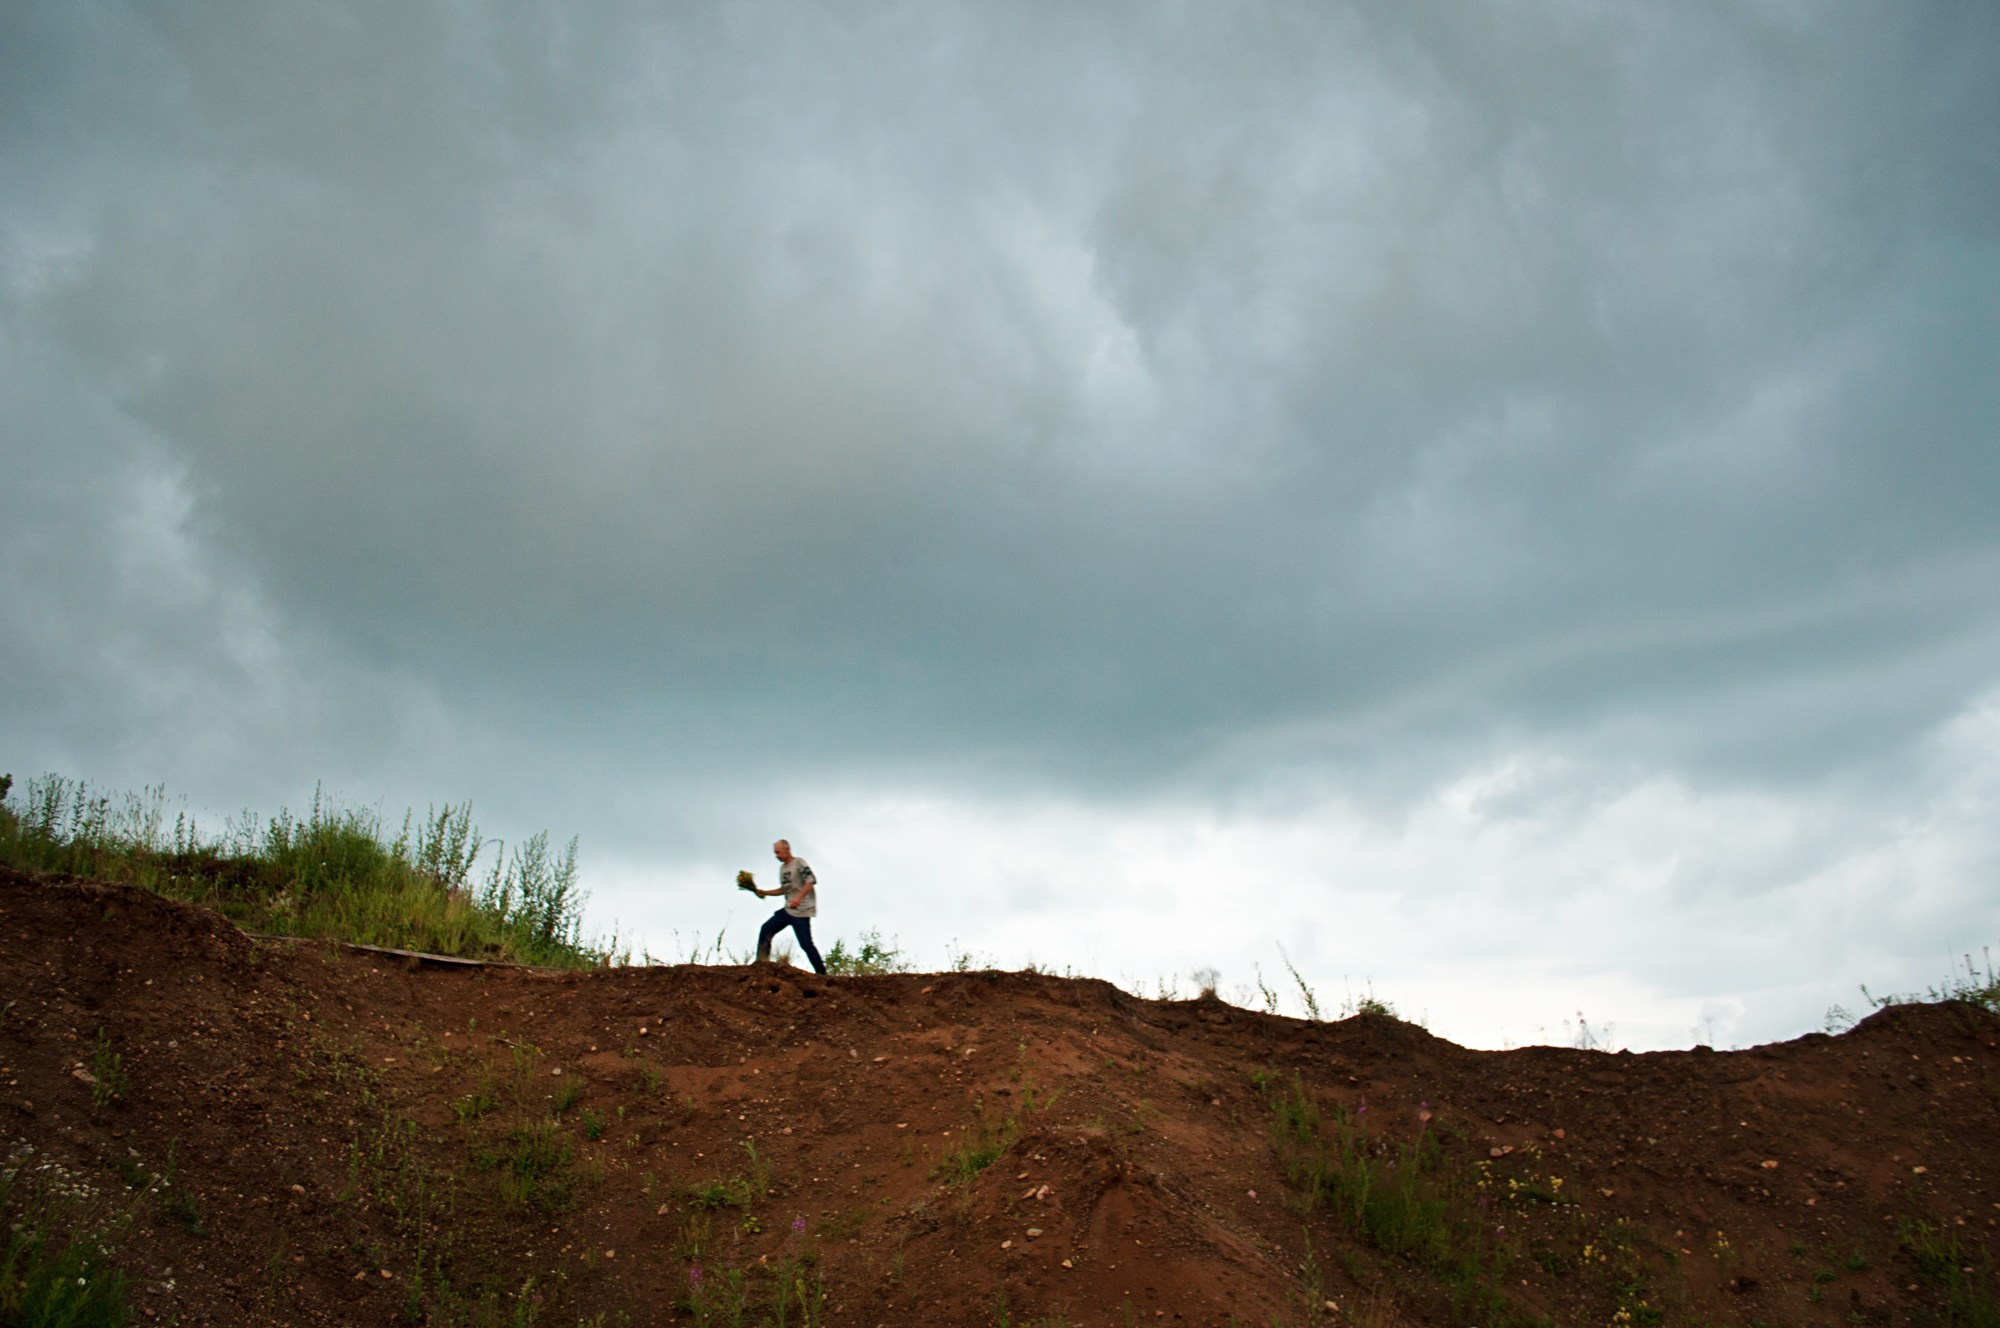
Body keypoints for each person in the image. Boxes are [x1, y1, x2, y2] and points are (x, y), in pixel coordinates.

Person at [753, 839, 825, 975]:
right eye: (775, 853)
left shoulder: (799, 863)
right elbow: (784, 890)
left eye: (778, 852)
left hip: (802, 911)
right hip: (788, 909)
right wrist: (765, 892)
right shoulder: (783, 868)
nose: (777, 856)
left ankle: (822, 974)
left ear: (787, 849)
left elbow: (810, 881)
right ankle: (762, 964)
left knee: (806, 944)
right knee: (766, 929)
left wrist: (798, 898)